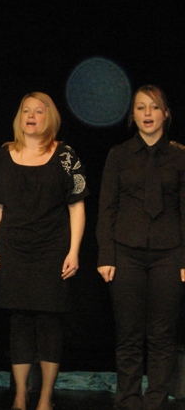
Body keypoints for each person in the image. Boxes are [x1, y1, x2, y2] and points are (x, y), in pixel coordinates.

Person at [0, 92, 87, 410]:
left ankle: (45, 397)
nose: (31, 116)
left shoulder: (65, 155)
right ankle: (20, 394)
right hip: (14, 247)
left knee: (48, 320)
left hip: (52, 248)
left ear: (49, 117)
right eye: (26, 110)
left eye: (38, 111)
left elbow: (77, 206)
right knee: (19, 320)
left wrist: (74, 251)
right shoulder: (4, 154)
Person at [96, 85, 185, 410]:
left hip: (169, 252)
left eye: (154, 107)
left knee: (162, 334)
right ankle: (128, 400)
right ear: (132, 115)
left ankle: (155, 401)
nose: (147, 113)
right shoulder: (119, 155)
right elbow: (107, 208)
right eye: (140, 107)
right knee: (129, 334)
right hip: (126, 252)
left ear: (166, 114)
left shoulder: (180, 155)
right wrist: (106, 254)